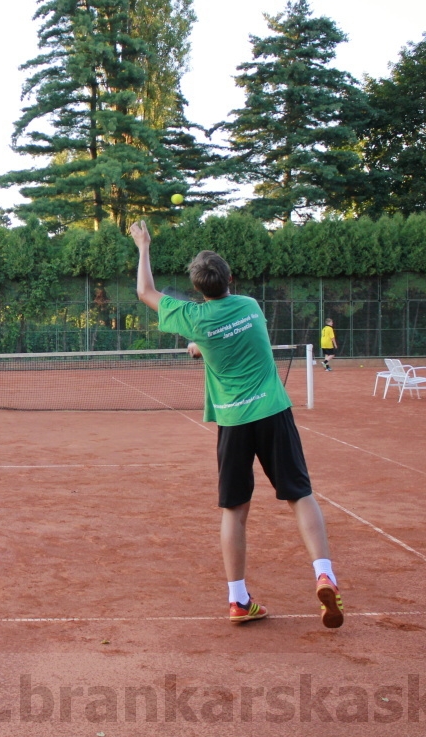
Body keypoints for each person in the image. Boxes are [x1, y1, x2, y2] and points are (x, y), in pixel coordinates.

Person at [129, 219, 344, 628]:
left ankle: (238, 600)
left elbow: (145, 292)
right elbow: (229, 332)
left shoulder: (194, 319)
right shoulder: (250, 306)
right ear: (230, 278)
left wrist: (144, 245)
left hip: (233, 421)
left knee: (235, 510)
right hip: (273, 413)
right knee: (300, 495)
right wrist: (201, 343)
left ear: (197, 290)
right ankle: (324, 573)